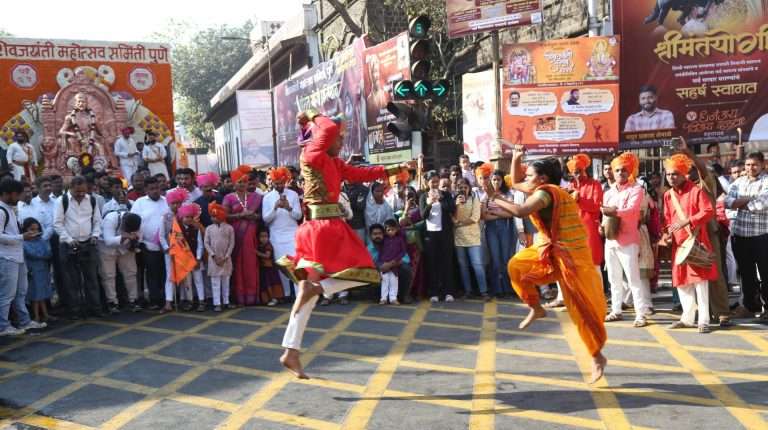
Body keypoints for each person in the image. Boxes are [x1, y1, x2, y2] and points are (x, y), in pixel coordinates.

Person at [277, 113, 413, 378]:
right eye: (338, 138)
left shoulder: (334, 162)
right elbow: (327, 127)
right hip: (324, 229)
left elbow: (363, 173)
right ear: (322, 138)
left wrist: (396, 168)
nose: (341, 142)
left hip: (321, 228)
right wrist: (311, 114)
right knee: (367, 273)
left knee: (307, 296)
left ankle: (291, 352)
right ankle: (321, 289)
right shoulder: (312, 155)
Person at [495, 148, 607, 384]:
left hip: (570, 255)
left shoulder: (546, 193)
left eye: (530, 175)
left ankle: (597, 356)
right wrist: (516, 157)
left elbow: (520, 211)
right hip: (548, 247)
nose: (525, 179)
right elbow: (516, 181)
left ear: (542, 179)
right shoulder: (538, 188)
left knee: (581, 308)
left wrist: (493, 196)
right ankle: (536, 307)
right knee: (516, 266)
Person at [660, 154, 717, 333]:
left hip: (696, 240)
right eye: (668, 174)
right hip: (678, 244)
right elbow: (667, 219)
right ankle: (687, 318)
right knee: (682, 282)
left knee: (700, 282)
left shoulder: (696, 191)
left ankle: (704, 321)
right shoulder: (668, 195)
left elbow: (708, 211)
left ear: (684, 174)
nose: (671, 177)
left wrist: (688, 221)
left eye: (675, 174)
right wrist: (666, 235)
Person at [547, 154, 604, 308]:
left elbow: (596, 206)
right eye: (574, 172)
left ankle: (597, 297)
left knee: (593, 263)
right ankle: (566, 297)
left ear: (585, 170)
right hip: (570, 229)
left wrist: (578, 199)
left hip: (589, 229)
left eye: (579, 171)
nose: (577, 174)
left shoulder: (594, 184)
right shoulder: (570, 186)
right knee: (567, 264)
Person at [602, 153, 652, 327]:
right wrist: (603, 225)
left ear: (630, 171)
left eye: (624, 170)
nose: (620, 173)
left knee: (633, 279)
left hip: (628, 240)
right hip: (610, 240)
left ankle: (641, 314)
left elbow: (632, 211)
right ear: (612, 172)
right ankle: (616, 311)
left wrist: (613, 211)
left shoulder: (636, 189)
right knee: (613, 279)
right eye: (617, 170)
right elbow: (605, 216)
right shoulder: (608, 193)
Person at [0, 179, 47, 335]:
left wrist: (23, 236)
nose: (19, 197)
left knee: (21, 292)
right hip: (7, 258)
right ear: (8, 193)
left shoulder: (10, 209)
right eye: (17, 194)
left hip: (17, 256)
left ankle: (24, 321)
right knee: (7, 294)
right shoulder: (1, 210)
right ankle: (3, 326)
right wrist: (22, 237)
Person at [725, 152, 768, 319]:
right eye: (748, 165)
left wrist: (740, 202)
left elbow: (761, 204)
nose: (751, 168)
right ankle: (750, 307)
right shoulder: (738, 182)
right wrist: (749, 198)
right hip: (740, 235)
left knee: (766, 273)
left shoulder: (766, 182)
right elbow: (727, 202)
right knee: (746, 274)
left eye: (754, 164)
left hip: (762, 236)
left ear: (762, 165)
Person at [54, 176, 103, 319]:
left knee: (91, 279)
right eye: (77, 192)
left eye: (83, 191)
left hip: (89, 243)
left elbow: (97, 221)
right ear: (70, 188)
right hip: (68, 245)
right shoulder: (62, 201)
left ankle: (95, 308)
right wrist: (69, 240)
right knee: (72, 281)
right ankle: (75, 310)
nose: (81, 194)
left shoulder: (91, 200)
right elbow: (57, 224)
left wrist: (95, 235)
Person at [223, 165, 263, 306]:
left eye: (245, 182)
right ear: (234, 183)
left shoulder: (256, 197)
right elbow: (224, 216)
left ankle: (252, 297)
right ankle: (239, 297)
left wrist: (254, 216)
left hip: (251, 236)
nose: (242, 184)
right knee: (237, 266)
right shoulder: (228, 198)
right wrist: (240, 215)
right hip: (235, 235)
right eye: (239, 182)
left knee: (250, 265)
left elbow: (261, 216)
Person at [478, 165, 517, 298]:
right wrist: (500, 214)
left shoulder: (508, 194)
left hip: (505, 228)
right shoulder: (486, 195)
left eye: (498, 179)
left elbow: (511, 213)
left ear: (502, 181)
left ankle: (508, 287)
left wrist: (494, 212)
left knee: (506, 258)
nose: (496, 182)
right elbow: (484, 216)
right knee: (495, 259)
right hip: (491, 228)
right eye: (493, 179)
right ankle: (497, 289)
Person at [262, 167, 302, 298]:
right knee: (281, 266)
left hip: (292, 235)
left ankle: (299, 293)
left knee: (294, 265)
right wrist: (275, 208)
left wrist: (288, 208)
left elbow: (298, 216)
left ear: (285, 181)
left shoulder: (293, 195)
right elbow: (266, 219)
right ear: (272, 182)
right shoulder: (267, 197)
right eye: (276, 183)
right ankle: (285, 294)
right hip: (276, 236)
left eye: (281, 183)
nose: (279, 185)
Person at [130, 176, 169, 310]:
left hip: (166, 245)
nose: (155, 191)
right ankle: (154, 300)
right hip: (148, 245)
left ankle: (166, 298)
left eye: (157, 188)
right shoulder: (139, 203)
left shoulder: (166, 201)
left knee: (166, 272)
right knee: (152, 273)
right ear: (146, 190)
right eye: (151, 189)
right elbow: (134, 222)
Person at [420, 170, 457, 303]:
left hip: (445, 233)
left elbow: (452, 209)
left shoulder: (445, 195)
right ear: (427, 183)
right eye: (432, 182)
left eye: (437, 181)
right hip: (430, 234)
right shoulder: (423, 196)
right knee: (432, 263)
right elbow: (423, 215)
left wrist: (440, 199)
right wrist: (430, 203)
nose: (435, 184)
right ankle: (434, 292)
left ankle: (448, 292)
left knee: (447, 262)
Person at [99, 211, 142, 313]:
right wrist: (126, 236)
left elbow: (140, 236)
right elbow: (108, 241)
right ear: (123, 221)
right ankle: (112, 302)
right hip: (106, 248)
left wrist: (134, 242)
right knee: (109, 275)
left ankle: (133, 300)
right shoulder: (111, 219)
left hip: (125, 247)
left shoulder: (137, 220)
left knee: (131, 273)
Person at [453, 177, 488, 300]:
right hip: (459, 237)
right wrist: (457, 205)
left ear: (469, 188)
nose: (463, 189)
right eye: (460, 187)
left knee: (477, 264)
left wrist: (459, 224)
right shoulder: (454, 200)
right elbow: (453, 218)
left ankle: (484, 291)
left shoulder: (474, 198)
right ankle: (468, 291)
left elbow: (475, 218)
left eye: (465, 187)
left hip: (473, 237)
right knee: (463, 266)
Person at [205, 202, 235, 312]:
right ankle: (217, 303)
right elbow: (206, 243)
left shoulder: (229, 228)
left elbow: (232, 243)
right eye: (212, 216)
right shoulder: (209, 229)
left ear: (221, 216)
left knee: (226, 281)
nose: (213, 218)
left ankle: (226, 302)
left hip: (226, 259)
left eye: (215, 216)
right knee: (215, 283)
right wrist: (213, 255)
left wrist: (226, 257)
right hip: (214, 260)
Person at [22, 218, 53, 323]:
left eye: (37, 229)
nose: (35, 231)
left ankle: (45, 314)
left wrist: (43, 253)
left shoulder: (41, 240)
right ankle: (36, 316)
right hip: (33, 271)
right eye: (32, 229)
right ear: (26, 230)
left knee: (43, 293)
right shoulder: (24, 243)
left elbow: (48, 253)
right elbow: (33, 254)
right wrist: (42, 253)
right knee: (35, 294)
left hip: (43, 269)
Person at [177, 202, 205, 311]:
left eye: (190, 217)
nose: (188, 219)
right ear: (182, 217)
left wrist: (198, 259)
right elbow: (177, 246)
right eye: (186, 217)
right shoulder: (178, 230)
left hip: (195, 259)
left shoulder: (196, 229)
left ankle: (201, 301)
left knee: (198, 280)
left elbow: (200, 245)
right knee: (187, 282)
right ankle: (190, 301)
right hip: (184, 260)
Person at [377, 220, 408, 305]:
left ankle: (393, 298)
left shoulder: (400, 239)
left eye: (393, 230)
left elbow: (403, 251)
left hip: (394, 264)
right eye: (388, 230)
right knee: (384, 281)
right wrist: (381, 262)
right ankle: (383, 298)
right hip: (384, 264)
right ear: (385, 230)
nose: (390, 232)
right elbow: (380, 250)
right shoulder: (384, 239)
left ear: (397, 229)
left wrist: (396, 260)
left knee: (394, 281)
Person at [256, 230, 284, 307]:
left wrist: (257, 253)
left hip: (270, 269)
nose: (263, 238)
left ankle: (274, 299)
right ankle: (269, 299)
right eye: (261, 237)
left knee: (271, 284)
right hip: (264, 268)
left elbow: (267, 256)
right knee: (266, 284)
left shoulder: (268, 246)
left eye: (265, 236)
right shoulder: (260, 245)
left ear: (268, 237)